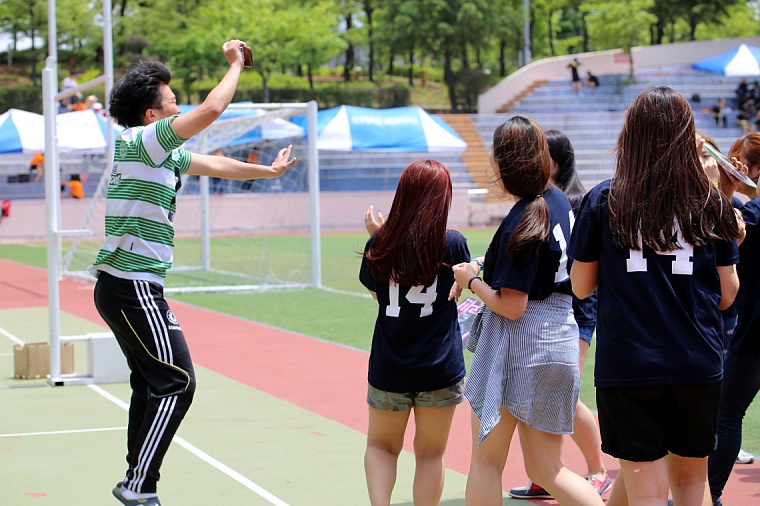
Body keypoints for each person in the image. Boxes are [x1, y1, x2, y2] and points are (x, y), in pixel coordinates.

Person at [88, 39, 297, 506]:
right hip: (132, 286)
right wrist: (236, 64)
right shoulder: (144, 140)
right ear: (151, 115)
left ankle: (136, 482)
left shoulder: (157, 151)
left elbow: (216, 163)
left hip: (124, 287)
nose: (179, 107)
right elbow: (212, 109)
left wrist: (267, 173)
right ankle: (139, 486)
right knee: (177, 382)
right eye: (171, 101)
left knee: (151, 384)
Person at [568, 86, 741, 506]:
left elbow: (581, 286)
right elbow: (728, 293)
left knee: (645, 491)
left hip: (629, 363)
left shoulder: (603, 199)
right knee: (690, 483)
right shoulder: (711, 202)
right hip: (696, 361)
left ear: (631, 134)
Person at [452, 116, 604, 506]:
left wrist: (472, 281)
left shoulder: (522, 218)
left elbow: (512, 306)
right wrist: (483, 267)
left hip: (519, 344)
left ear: (502, 165)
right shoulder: (558, 200)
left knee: (486, 462)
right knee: (548, 468)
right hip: (561, 334)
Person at [359, 159, 470, 506]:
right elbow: (459, 288)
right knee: (431, 453)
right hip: (439, 366)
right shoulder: (453, 243)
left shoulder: (379, 242)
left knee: (381, 446)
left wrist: (378, 237)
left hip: (390, 364)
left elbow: (378, 294)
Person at [508, 129, 611, 500]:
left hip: (575, 308)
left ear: (555, 161)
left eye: (539, 155)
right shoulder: (548, 197)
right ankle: (546, 471)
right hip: (558, 308)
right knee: (547, 398)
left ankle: (597, 470)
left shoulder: (574, 201)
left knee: (566, 396)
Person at [708, 132, 760, 505]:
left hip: (755, 332)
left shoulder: (753, 215)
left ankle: (709, 494)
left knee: (727, 413)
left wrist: (723, 191)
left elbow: (717, 236)